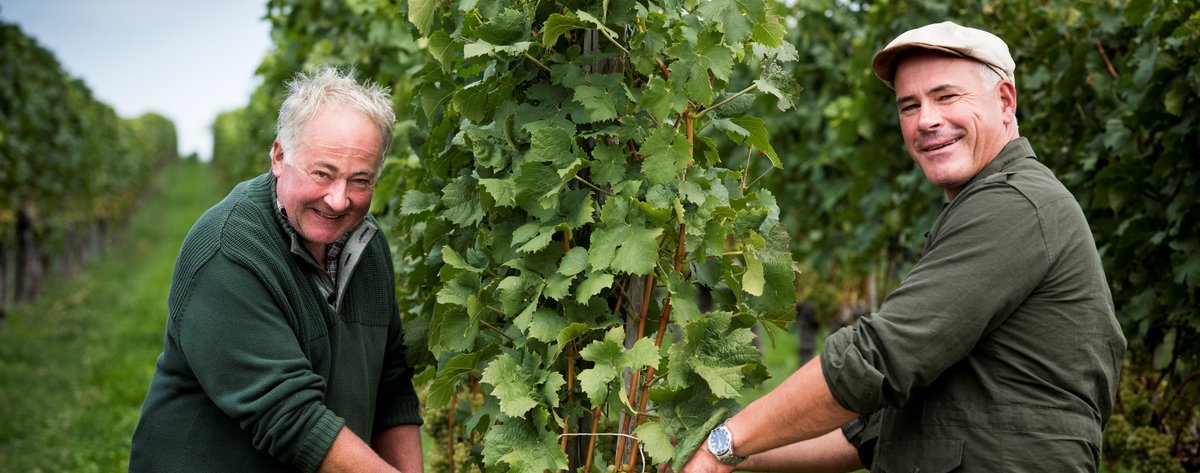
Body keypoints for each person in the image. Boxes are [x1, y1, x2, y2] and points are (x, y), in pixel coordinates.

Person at [680, 21, 1126, 472]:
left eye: (946, 96)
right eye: (909, 106)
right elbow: (872, 432)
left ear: (1005, 101)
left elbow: (879, 358)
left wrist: (728, 441)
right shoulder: (987, 206)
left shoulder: (1015, 206)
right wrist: (734, 459)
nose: (926, 120)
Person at [130, 66, 424, 473]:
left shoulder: (367, 244)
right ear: (280, 157)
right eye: (323, 173)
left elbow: (390, 386)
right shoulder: (229, 250)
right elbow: (291, 418)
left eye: (360, 180)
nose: (339, 200)